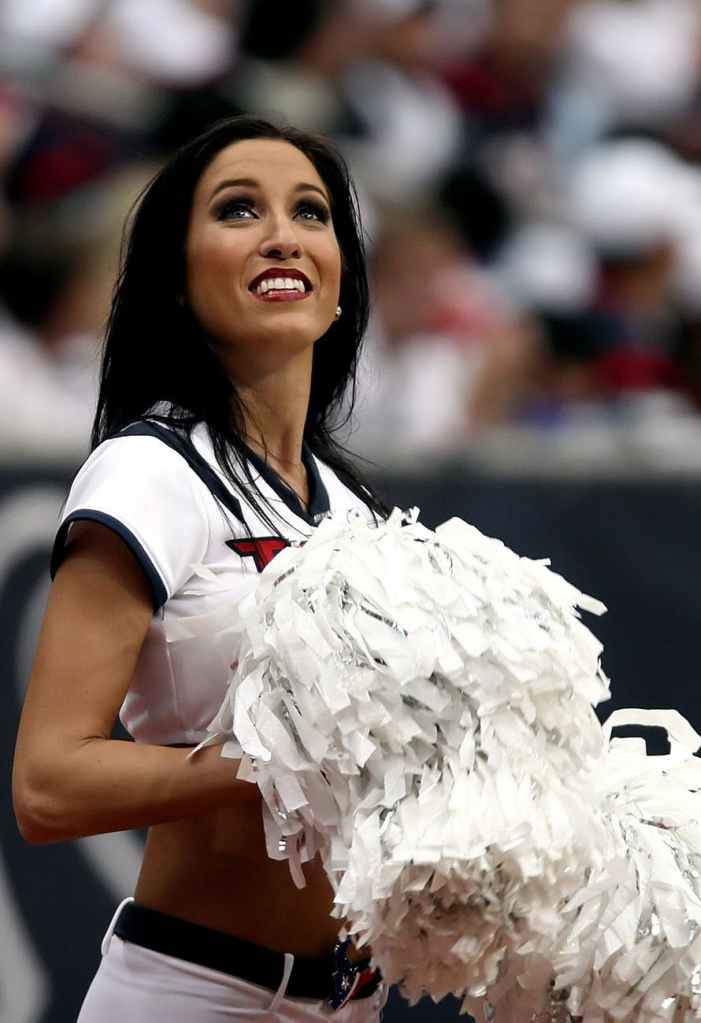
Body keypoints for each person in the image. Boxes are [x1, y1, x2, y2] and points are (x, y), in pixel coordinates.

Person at [12, 115, 388, 1022]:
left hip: (350, 999)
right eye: (238, 209)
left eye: (310, 212)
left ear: (340, 280)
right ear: (177, 280)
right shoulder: (150, 470)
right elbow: (47, 784)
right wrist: (265, 761)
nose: (282, 234)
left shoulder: (355, 510)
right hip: (195, 990)